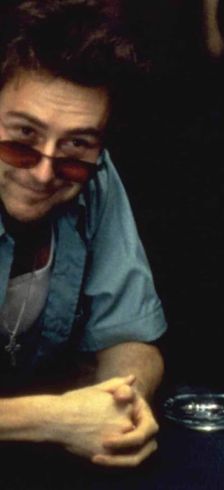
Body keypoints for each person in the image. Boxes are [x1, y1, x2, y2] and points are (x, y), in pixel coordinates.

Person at [0, 0, 166, 467]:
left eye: (76, 146)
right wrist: (53, 419)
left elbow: (131, 337)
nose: (44, 171)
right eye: (22, 138)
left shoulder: (95, 176)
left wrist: (121, 403)